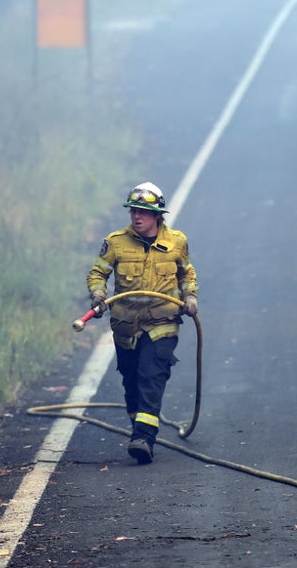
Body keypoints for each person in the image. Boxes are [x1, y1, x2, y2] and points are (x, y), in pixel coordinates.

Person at [87, 182, 198, 464]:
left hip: (163, 323)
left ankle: (143, 438)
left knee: (152, 374)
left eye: (144, 212)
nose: (137, 217)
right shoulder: (115, 243)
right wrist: (98, 294)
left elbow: (187, 274)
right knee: (132, 379)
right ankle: (140, 426)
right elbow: (98, 273)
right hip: (126, 325)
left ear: (157, 215)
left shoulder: (177, 242)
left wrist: (190, 296)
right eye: (134, 211)